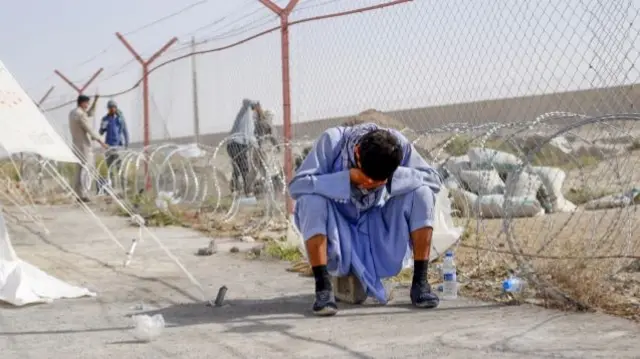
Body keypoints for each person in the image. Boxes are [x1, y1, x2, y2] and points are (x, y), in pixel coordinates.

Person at [289, 122, 442, 316]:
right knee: (311, 201)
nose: (369, 187)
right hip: (337, 228)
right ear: (357, 153)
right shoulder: (333, 141)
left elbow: (434, 180)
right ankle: (323, 289)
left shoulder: (397, 146)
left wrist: (395, 177)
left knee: (423, 194)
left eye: (375, 184)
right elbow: (296, 187)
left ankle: (420, 283)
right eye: (367, 181)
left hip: (373, 228)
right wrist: (346, 178)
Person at [68, 94, 108, 202]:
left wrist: (95, 101)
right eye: (87, 103)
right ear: (82, 103)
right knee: (87, 170)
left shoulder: (73, 113)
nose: (88, 105)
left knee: (79, 170)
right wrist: (101, 141)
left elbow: (89, 113)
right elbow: (89, 129)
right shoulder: (81, 115)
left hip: (76, 145)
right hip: (84, 146)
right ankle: (85, 194)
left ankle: (78, 194)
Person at [226, 99, 259, 196]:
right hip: (236, 143)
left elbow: (251, 137)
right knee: (244, 168)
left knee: (238, 168)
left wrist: (257, 146)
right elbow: (246, 101)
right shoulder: (244, 112)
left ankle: (235, 189)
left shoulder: (251, 123)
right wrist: (255, 104)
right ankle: (248, 191)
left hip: (239, 145)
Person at [99, 99, 129, 185]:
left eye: (113, 107)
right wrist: (102, 127)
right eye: (110, 108)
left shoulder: (120, 119)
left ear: (116, 108)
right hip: (108, 147)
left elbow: (125, 131)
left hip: (117, 147)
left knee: (120, 168)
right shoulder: (105, 119)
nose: (111, 109)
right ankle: (113, 187)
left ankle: (124, 187)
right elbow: (101, 132)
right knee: (110, 169)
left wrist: (126, 144)